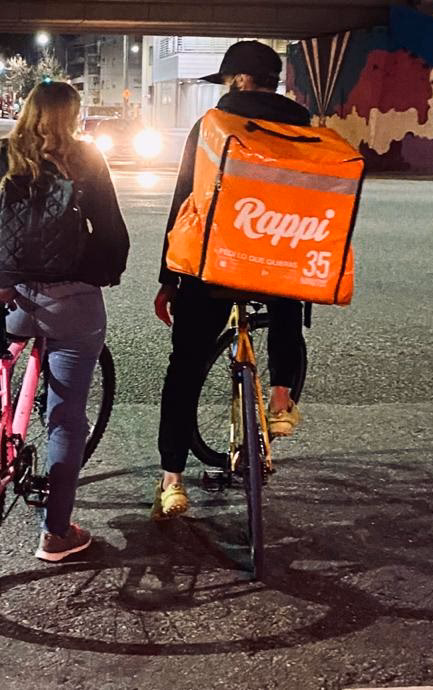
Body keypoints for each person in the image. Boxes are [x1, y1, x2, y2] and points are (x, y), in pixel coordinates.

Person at [152, 41, 310, 521]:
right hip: (277, 256)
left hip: (212, 264)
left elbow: (187, 201)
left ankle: (172, 482)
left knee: (185, 367)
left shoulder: (212, 126)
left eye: (226, 80)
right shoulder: (300, 126)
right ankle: (281, 399)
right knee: (286, 301)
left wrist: (169, 279)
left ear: (239, 80)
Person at [0, 81, 130, 561]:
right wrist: (109, 271)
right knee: (66, 419)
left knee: (2, 343)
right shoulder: (85, 157)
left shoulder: (4, 152)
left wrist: (8, 271)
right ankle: (56, 533)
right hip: (73, 300)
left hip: (16, 290)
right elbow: (109, 227)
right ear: (73, 115)